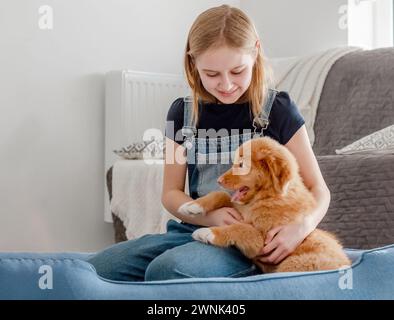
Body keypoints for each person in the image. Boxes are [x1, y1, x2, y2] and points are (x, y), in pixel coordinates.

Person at [88, 4, 331, 281]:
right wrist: (210, 219)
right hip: (195, 228)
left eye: (237, 71)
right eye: (212, 74)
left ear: (255, 53)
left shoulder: (279, 109)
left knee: (166, 270)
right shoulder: (180, 113)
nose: (226, 84)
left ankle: (246, 274)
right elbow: (170, 193)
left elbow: (318, 188)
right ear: (193, 64)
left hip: (253, 238)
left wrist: (302, 227)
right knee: (95, 270)